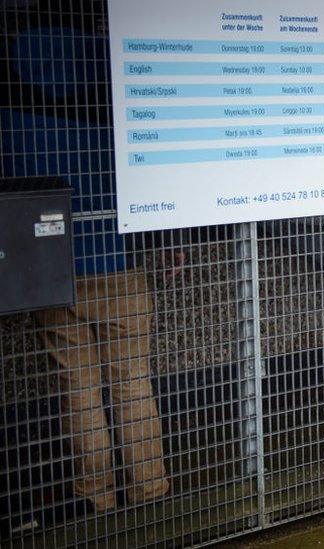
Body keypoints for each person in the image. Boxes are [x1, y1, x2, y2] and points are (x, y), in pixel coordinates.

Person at [1, 25, 175, 511]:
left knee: (78, 391)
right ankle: (150, 492)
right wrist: (166, 238)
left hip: (51, 263)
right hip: (118, 261)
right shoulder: (119, 54)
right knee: (131, 383)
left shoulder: (16, 61)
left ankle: (96, 499)